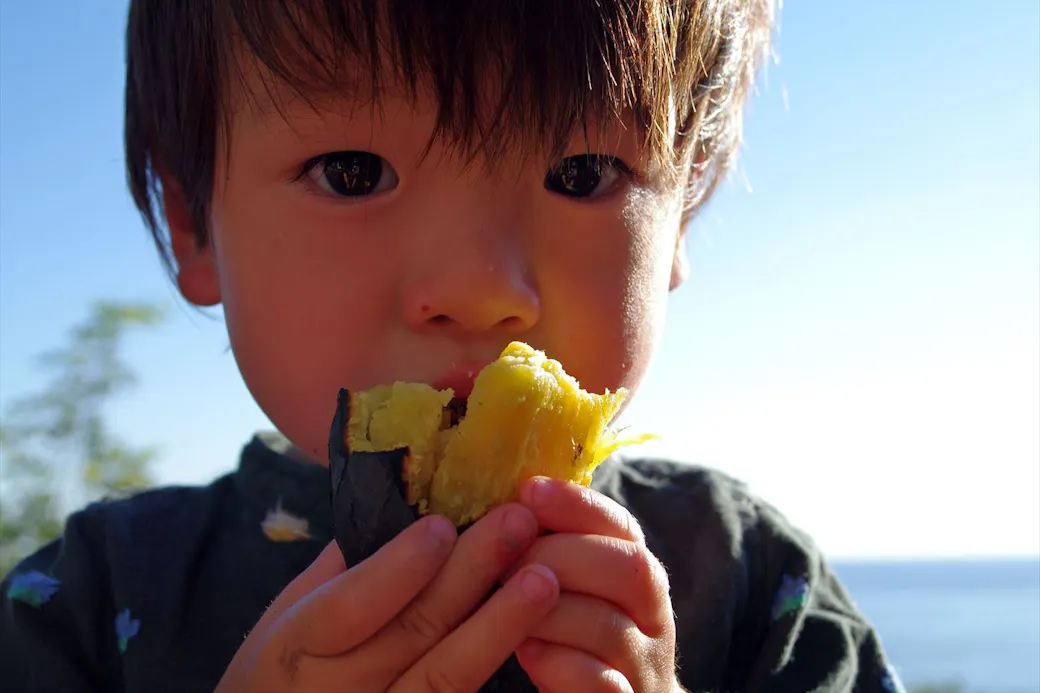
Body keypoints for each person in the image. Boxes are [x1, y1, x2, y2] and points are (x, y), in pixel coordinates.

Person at [0, 1, 906, 692]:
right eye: (353, 174)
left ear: (683, 209)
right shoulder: (84, 608)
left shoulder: (753, 591)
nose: (479, 289)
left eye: (581, 174)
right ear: (194, 222)